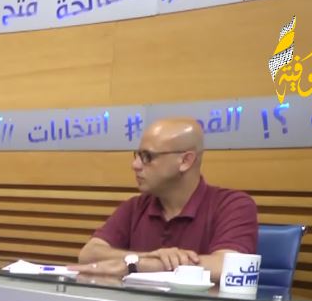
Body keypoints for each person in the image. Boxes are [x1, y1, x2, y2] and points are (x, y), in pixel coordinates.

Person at [74, 117, 257, 280]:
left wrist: (139, 266)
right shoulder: (135, 207)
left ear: (185, 161)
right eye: (137, 155)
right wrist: (144, 258)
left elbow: (229, 267)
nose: (135, 165)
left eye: (147, 156)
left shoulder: (233, 205)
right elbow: (89, 254)